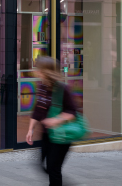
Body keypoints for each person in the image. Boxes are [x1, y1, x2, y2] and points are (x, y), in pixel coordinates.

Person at [25, 57, 78, 186]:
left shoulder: (62, 89)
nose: (35, 71)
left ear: (46, 71)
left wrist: (56, 120)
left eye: (38, 69)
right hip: (47, 134)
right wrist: (30, 129)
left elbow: (73, 112)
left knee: (53, 168)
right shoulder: (42, 86)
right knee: (44, 165)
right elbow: (38, 109)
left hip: (61, 135)